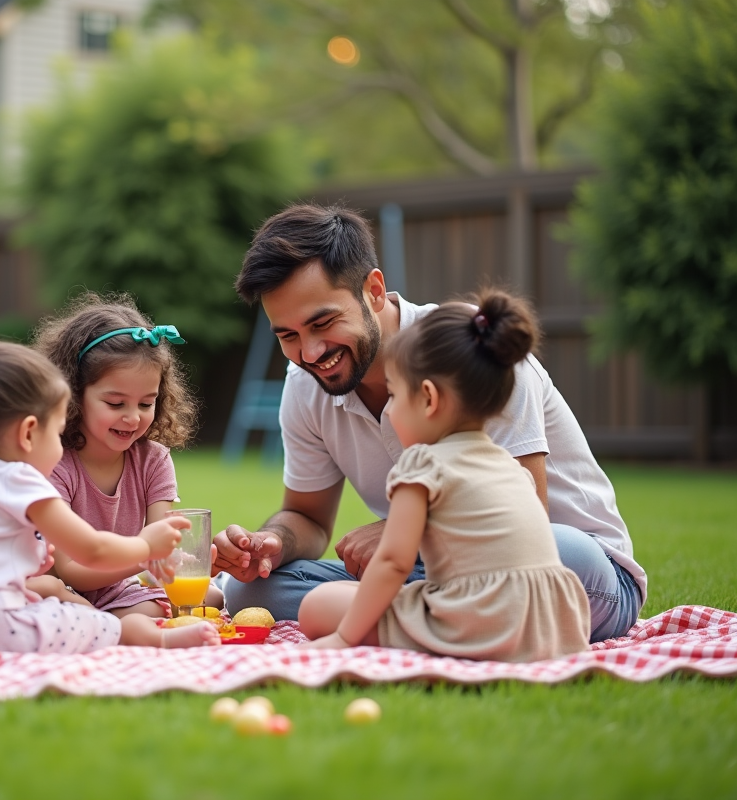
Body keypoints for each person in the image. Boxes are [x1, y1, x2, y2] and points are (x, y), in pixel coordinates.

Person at [216, 203, 645, 643]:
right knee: (255, 588)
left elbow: (527, 513)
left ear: (375, 291)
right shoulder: (305, 387)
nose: (309, 353)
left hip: (560, 568)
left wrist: (402, 528)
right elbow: (307, 518)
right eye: (287, 336)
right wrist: (271, 544)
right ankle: (439, 624)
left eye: (323, 322)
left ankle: (395, 621)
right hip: (431, 572)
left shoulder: (472, 354)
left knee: (566, 550)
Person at [298, 291, 591, 661]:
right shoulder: (508, 467)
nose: (390, 410)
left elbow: (393, 563)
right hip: (546, 628)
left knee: (317, 605)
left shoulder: (422, 465)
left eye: (395, 395)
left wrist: (344, 638)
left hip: (472, 623)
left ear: (429, 399)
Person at [0, 342, 221, 660]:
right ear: (28, 432)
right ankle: (143, 636)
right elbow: (93, 551)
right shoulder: (18, 479)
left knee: (44, 601)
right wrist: (147, 548)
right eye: (57, 431)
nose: (61, 448)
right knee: (88, 623)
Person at [32, 294, 221, 618]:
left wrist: (176, 560)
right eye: (116, 404)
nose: (133, 418)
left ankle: (110, 622)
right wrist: (145, 555)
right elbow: (70, 569)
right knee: (51, 594)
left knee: (212, 596)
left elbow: (162, 543)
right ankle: (106, 623)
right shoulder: (57, 465)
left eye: (146, 404)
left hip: (124, 585)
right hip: (66, 588)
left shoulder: (153, 461)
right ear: (73, 394)